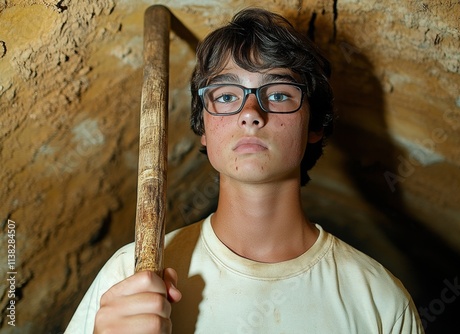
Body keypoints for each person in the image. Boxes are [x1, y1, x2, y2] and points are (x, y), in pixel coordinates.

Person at [66, 7, 424, 333]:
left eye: (280, 94)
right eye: (225, 96)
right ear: (203, 129)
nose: (250, 111)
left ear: (315, 123)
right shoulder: (131, 277)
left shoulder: (379, 301)